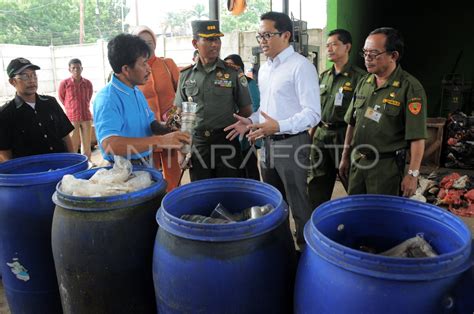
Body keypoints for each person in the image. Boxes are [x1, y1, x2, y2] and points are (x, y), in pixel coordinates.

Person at [225, 11, 321, 248]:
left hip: (291, 143)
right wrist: (251, 121)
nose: (262, 41)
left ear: (286, 35)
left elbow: (313, 113)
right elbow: (267, 110)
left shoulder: (301, 67)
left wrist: (279, 125)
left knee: (298, 203)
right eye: (260, 36)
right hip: (266, 144)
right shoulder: (266, 69)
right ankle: (281, 250)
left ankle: (305, 253)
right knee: (273, 203)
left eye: (267, 35)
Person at [339, 27, 427, 197]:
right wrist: (345, 156)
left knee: (381, 218)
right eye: (365, 53)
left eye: (373, 54)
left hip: (385, 169)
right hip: (358, 162)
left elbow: (417, 137)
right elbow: (352, 122)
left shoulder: (410, 88)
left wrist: (412, 174)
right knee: (355, 212)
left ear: (393, 56)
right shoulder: (364, 82)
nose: (367, 59)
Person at [93, 34, 190, 167]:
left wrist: (169, 130)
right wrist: (161, 141)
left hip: (145, 163)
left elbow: (149, 122)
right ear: (126, 69)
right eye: (143, 64)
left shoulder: (135, 90)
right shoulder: (107, 99)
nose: (149, 69)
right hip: (122, 170)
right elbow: (110, 144)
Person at [174, 20, 252, 181]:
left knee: (228, 193)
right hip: (198, 145)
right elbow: (181, 116)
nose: (215, 44)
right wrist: (181, 150)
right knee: (202, 194)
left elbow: (246, 110)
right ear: (195, 43)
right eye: (209, 40)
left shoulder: (233, 73)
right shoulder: (186, 75)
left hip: (226, 143)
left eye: (217, 39)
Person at [307, 29, 366, 209]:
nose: (329, 49)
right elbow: (316, 109)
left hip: (344, 136)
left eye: (334, 44)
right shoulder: (324, 77)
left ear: (347, 47)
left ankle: (356, 222)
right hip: (321, 136)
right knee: (316, 183)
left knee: (351, 182)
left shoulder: (361, 78)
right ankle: (315, 222)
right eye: (327, 45)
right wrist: (310, 136)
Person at [132, 25, 181, 191]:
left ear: (155, 42)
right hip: (146, 130)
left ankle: (172, 204)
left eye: (150, 41)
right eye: (141, 41)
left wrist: (172, 117)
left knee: (173, 174)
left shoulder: (167, 64)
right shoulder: (133, 70)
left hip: (169, 128)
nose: (147, 45)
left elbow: (181, 94)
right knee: (149, 175)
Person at [0, 57, 74, 162]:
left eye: (34, 75)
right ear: (12, 81)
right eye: (25, 76)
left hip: (62, 168)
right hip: (32, 175)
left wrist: (73, 160)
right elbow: (4, 153)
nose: (31, 80)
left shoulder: (51, 103)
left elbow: (65, 136)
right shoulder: (5, 114)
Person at [224, 54, 261, 180]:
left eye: (233, 65)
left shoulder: (249, 82)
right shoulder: (224, 84)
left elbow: (255, 106)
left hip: (246, 130)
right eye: (227, 65)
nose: (230, 68)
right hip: (231, 131)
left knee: (249, 167)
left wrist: (251, 126)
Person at [58, 58, 94, 160]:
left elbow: (89, 96)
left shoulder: (88, 83)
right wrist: (71, 108)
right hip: (72, 117)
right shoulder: (65, 83)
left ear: (82, 68)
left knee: (86, 143)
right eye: (73, 68)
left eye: (78, 68)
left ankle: (88, 161)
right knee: (72, 143)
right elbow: (62, 98)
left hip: (86, 116)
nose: (76, 70)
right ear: (69, 69)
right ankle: (74, 162)